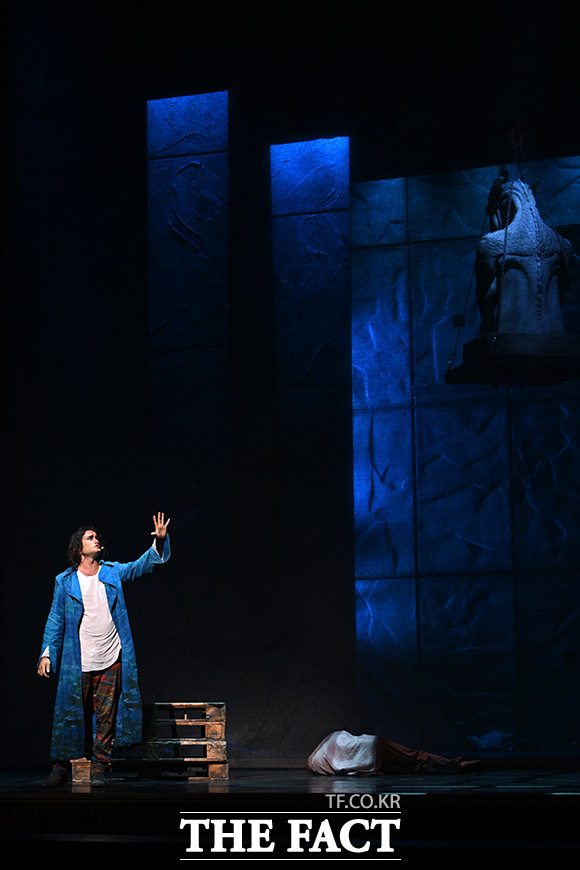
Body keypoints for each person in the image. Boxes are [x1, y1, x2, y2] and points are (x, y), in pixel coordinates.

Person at [37, 512, 171, 788]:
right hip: (78, 660)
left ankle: (99, 766)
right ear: (79, 547)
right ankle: (60, 769)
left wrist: (159, 542)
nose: (97, 540)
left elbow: (141, 566)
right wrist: (47, 653)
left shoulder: (111, 572)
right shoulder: (65, 581)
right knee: (69, 713)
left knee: (106, 716)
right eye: (90, 537)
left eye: (97, 537)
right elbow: (55, 619)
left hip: (110, 656)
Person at [307, 731, 483, 776]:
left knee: (410, 766)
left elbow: (342, 767)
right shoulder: (318, 756)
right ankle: (452, 764)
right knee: (414, 756)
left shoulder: (317, 761)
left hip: (366, 758)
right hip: (370, 748)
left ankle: (448, 765)